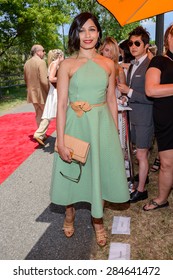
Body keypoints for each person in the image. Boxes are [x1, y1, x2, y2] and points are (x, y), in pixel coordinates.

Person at [50, 12, 130, 247]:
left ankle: (98, 221)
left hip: (101, 126)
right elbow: (62, 104)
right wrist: (62, 141)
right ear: (76, 33)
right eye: (82, 30)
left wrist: (114, 136)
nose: (87, 35)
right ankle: (69, 212)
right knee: (72, 173)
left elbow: (112, 101)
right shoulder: (67, 64)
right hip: (76, 124)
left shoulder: (108, 64)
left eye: (92, 29)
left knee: (100, 172)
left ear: (98, 33)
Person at [117, 26, 154, 203]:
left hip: (145, 119)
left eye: (137, 43)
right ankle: (141, 178)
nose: (132, 46)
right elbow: (131, 93)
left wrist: (129, 91)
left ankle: (141, 191)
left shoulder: (151, 66)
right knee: (139, 154)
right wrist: (125, 98)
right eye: (130, 43)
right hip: (133, 117)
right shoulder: (133, 65)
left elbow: (151, 97)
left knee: (140, 155)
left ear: (146, 45)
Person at [143, 24, 173, 211]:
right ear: (168, 38)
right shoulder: (159, 61)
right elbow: (151, 89)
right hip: (168, 120)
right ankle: (162, 199)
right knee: (167, 163)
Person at [33, 49, 64, 146]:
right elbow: (51, 78)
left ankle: (39, 133)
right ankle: (61, 138)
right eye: (63, 56)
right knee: (60, 114)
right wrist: (64, 78)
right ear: (59, 56)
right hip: (56, 91)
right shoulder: (55, 64)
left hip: (54, 91)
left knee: (49, 113)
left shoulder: (53, 64)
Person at [24, 44, 49, 128]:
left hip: (32, 92)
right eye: (43, 50)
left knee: (38, 113)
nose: (44, 52)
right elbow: (44, 81)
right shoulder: (41, 62)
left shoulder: (26, 63)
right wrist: (49, 92)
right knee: (47, 114)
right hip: (41, 93)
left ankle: (41, 135)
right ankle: (39, 134)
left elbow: (25, 79)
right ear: (38, 52)